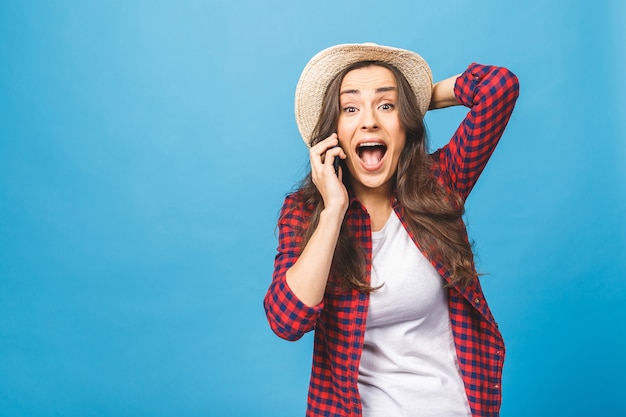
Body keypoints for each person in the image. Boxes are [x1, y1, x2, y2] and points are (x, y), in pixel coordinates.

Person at [263, 43, 519, 417]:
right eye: (350, 108)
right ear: (332, 133)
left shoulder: (440, 184)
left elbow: (499, 87)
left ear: (406, 126)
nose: (369, 121)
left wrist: (416, 100)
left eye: (386, 106)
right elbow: (287, 320)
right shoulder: (304, 213)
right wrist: (334, 210)